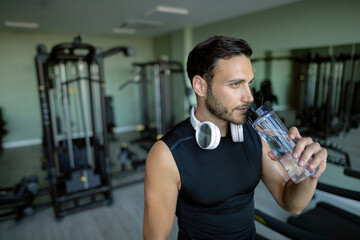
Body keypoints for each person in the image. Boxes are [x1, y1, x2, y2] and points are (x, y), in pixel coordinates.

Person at [143, 36, 327, 240]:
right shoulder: (167, 154)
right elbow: (155, 237)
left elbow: (292, 204)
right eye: (235, 84)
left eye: (248, 83)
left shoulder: (255, 133)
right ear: (200, 86)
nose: (248, 97)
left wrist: (310, 174)